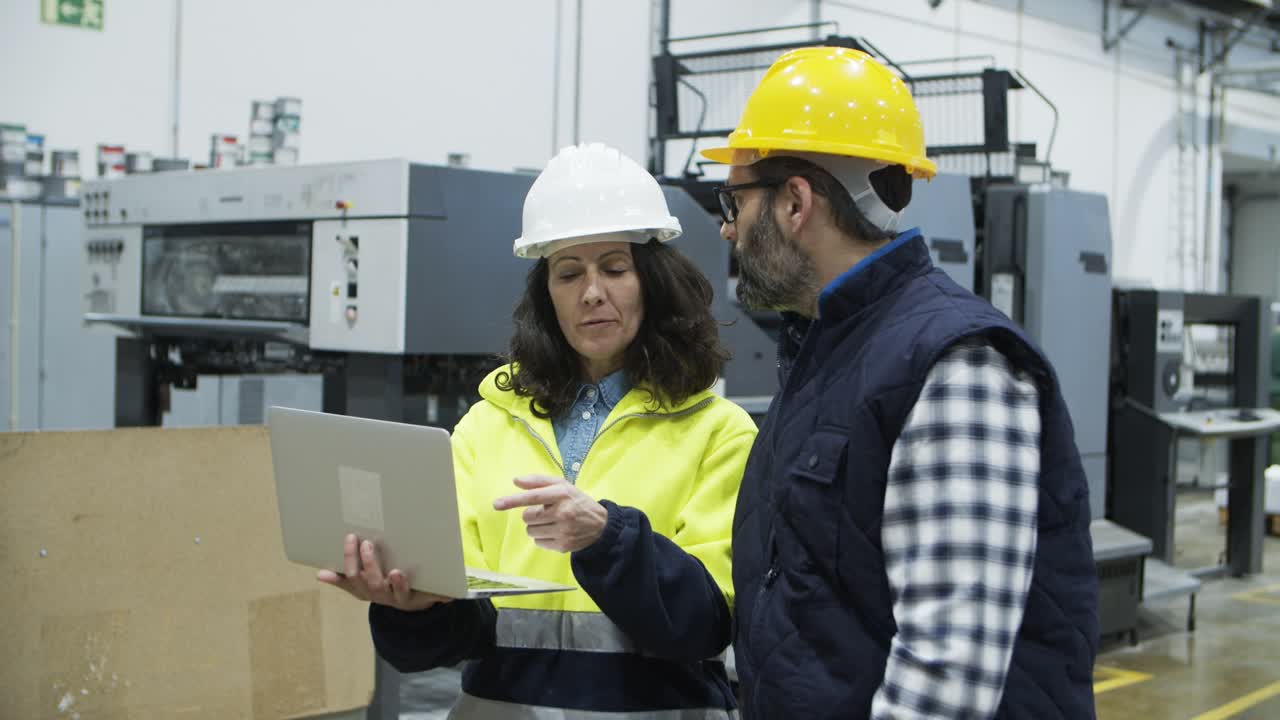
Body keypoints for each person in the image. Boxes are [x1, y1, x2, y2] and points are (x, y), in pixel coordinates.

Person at [700, 47, 1099, 718]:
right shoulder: (834, 347)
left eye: (734, 199)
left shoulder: (957, 365)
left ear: (796, 203)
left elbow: (947, 673)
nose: (727, 227)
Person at [316, 142, 757, 718]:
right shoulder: (487, 425)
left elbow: (706, 624)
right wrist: (410, 606)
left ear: (654, 282)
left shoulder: (719, 434)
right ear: (546, 296)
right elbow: (461, 633)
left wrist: (607, 539)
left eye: (615, 269)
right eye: (568, 273)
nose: (591, 291)